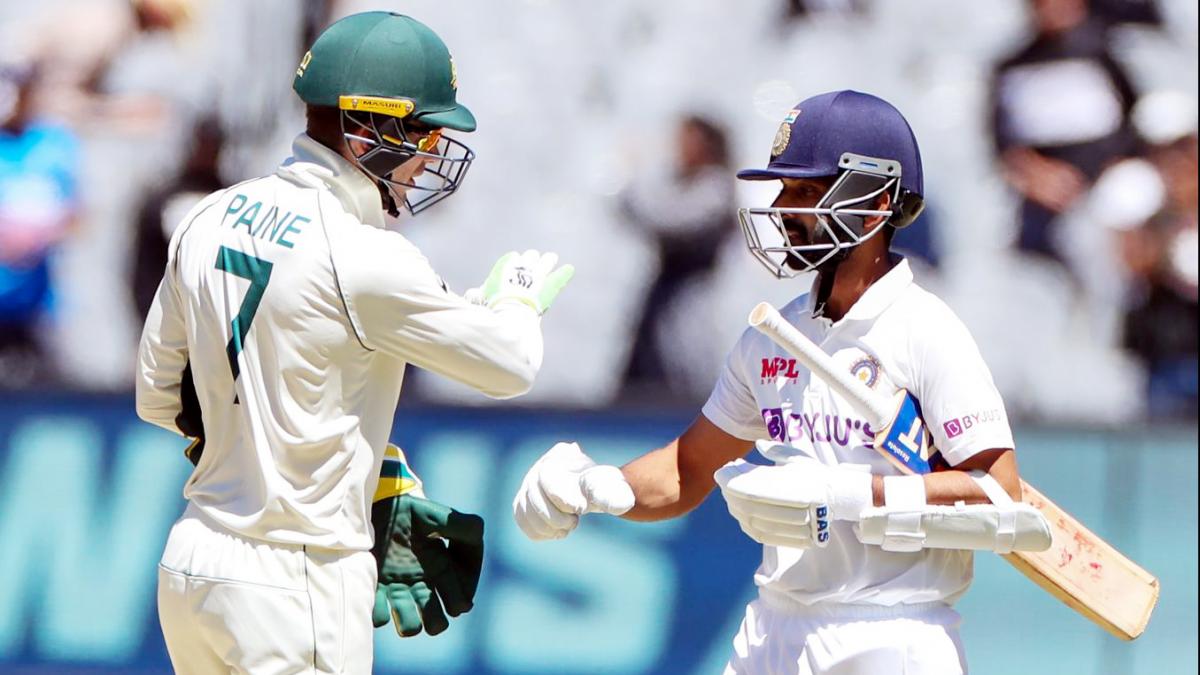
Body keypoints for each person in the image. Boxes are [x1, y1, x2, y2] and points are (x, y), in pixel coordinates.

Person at [513, 91, 1040, 674]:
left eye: (806, 193)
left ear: (874, 204)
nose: (784, 209)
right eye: (783, 191)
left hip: (892, 633)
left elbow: (997, 490)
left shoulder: (927, 331)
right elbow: (688, 470)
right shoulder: (773, 336)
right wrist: (596, 486)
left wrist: (845, 494)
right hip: (773, 627)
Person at [135, 12, 573, 674]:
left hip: (195, 563)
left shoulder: (206, 215)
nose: (431, 153)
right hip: (299, 577)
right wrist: (516, 295)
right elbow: (512, 364)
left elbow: (159, 398)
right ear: (370, 130)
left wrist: (348, 466)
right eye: (425, 131)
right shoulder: (364, 254)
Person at [618, 114, 735, 399]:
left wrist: (631, 181)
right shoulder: (678, 183)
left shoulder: (715, 188)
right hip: (661, 298)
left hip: (687, 302)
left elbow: (668, 220)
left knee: (683, 377)